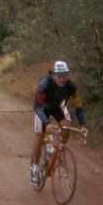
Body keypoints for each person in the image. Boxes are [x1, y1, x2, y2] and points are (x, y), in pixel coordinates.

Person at [30, 60, 86, 188]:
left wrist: (83, 125)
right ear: (53, 75)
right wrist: (47, 122)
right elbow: (37, 107)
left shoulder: (71, 86)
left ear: (68, 75)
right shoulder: (44, 85)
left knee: (66, 125)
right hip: (42, 109)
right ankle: (34, 167)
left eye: (65, 75)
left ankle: (59, 149)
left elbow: (79, 107)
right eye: (59, 76)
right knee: (40, 135)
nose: (62, 79)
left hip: (56, 108)